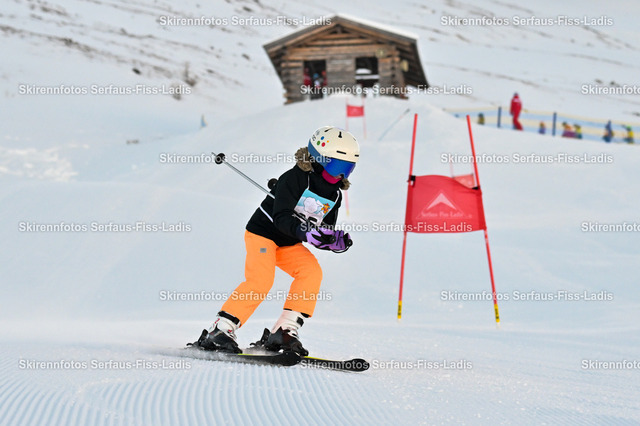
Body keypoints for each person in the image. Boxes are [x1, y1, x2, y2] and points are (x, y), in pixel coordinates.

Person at [190, 126, 360, 356]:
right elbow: (281, 218)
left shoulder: (335, 194)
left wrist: (331, 241)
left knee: (311, 272)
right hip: (263, 234)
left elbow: (323, 228)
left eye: (348, 169)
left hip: (289, 243)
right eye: (337, 167)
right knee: (261, 280)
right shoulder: (295, 178)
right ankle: (220, 329)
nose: (341, 175)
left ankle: (284, 330)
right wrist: (307, 233)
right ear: (319, 159)